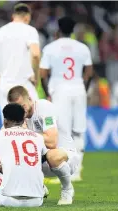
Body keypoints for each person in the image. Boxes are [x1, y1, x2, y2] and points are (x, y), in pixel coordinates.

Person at [0, 103, 70, 207]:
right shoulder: (38, 137)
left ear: (5, 121)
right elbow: (43, 157)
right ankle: (62, 189)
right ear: (23, 120)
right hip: (37, 201)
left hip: (8, 200)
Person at [40, 17, 93, 181]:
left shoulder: (50, 48)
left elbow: (42, 74)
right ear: (73, 30)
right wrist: (83, 88)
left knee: (62, 131)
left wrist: (47, 91)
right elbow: (89, 72)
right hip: (78, 89)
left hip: (60, 90)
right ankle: (77, 173)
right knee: (78, 131)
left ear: (58, 30)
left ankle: (63, 170)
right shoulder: (83, 47)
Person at [0, 3, 40, 120]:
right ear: (27, 17)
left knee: (10, 127)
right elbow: (35, 55)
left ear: (13, 16)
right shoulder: (30, 30)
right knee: (35, 123)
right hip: (25, 84)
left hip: (5, 86)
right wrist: (36, 77)